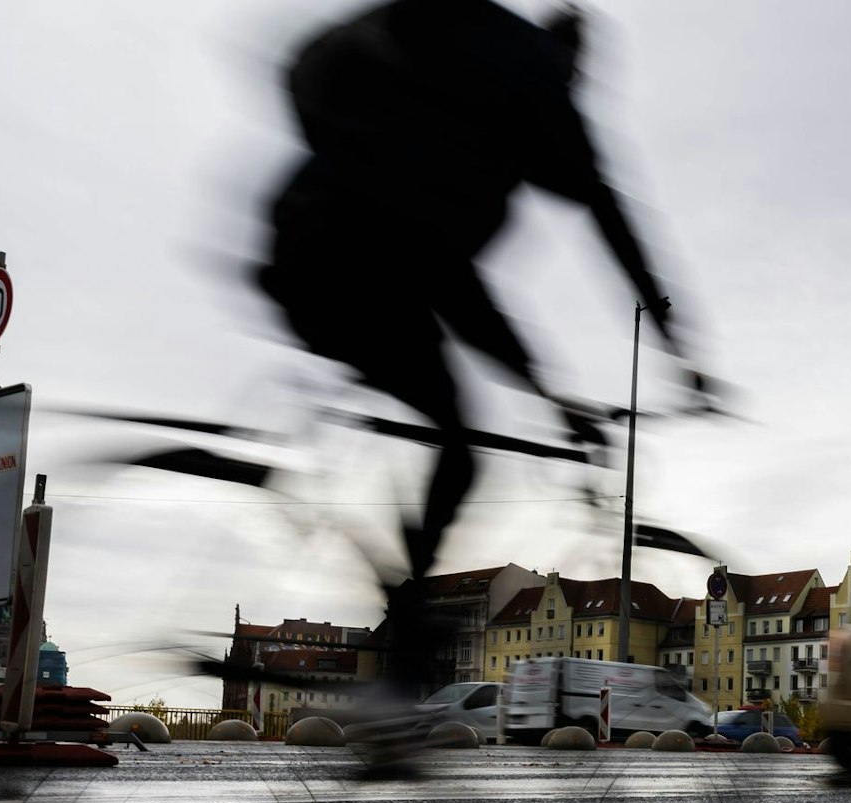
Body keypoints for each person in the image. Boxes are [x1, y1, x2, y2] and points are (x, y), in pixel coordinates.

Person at [258, 0, 709, 688]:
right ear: (576, 65)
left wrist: (546, 389)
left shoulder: (463, 95)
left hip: (320, 244)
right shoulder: (532, 99)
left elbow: (453, 282)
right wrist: (682, 346)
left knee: (453, 421)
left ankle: (405, 620)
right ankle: (406, 625)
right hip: (363, 262)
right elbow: (616, 232)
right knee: (460, 444)